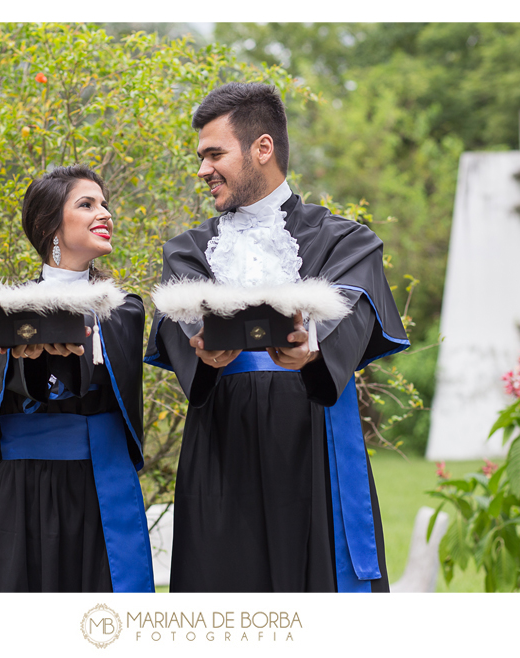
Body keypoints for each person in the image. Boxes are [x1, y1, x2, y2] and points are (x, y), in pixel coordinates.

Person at [145, 83, 410, 592]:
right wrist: (208, 356)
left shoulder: (346, 241)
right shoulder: (187, 252)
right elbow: (184, 343)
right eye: (201, 157)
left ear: (262, 149)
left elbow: (347, 327)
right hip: (222, 449)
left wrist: (310, 352)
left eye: (214, 154)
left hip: (314, 444)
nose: (203, 170)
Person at [0, 165, 154, 593]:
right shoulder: (1, 312)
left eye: (105, 204)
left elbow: (108, 365)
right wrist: (24, 361)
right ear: (49, 225)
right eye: (87, 204)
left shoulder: (123, 309)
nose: (105, 214)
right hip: (25, 486)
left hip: (101, 481)